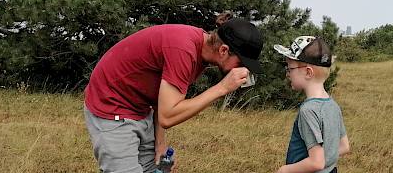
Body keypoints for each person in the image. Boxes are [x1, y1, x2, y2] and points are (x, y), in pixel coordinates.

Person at [83, 12, 263, 173]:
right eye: (241, 63)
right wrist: (222, 88)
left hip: (140, 107)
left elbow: (161, 101)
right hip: (111, 105)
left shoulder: (199, 51)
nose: (243, 70)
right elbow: (168, 116)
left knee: (157, 168)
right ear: (224, 50)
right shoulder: (183, 50)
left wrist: (160, 144)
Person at [274, 36, 350, 173]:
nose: (288, 74)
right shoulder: (333, 105)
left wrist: (284, 170)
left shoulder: (308, 110)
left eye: (290, 68)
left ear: (308, 72)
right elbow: (344, 146)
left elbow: (316, 163)